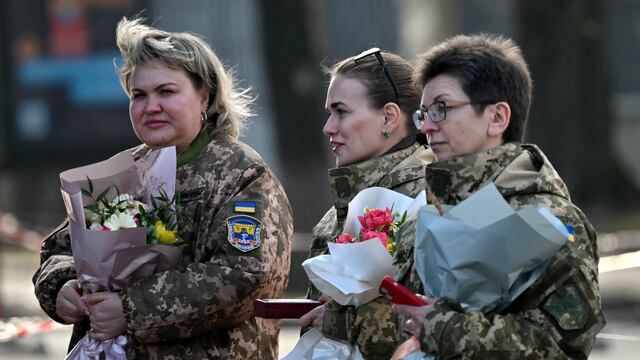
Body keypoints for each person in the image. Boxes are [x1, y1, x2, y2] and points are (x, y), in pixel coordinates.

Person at [32, 17, 293, 359]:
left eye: (166, 92)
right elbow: (59, 251)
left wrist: (130, 309)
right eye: (139, 95)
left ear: (205, 96)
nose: (150, 106)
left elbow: (245, 276)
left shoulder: (241, 175)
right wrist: (63, 286)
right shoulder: (122, 173)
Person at [392, 33, 605, 359]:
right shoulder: (428, 214)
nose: (427, 128)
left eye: (441, 109)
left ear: (497, 117)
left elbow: (561, 345)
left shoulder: (549, 220)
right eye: (423, 114)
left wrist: (441, 328)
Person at [298, 47, 435, 359]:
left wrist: (339, 321)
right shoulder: (340, 209)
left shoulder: (428, 201)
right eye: (328, 113)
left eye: (342, 112)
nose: (328, 127)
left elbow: (436, 324)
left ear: (388, 116)